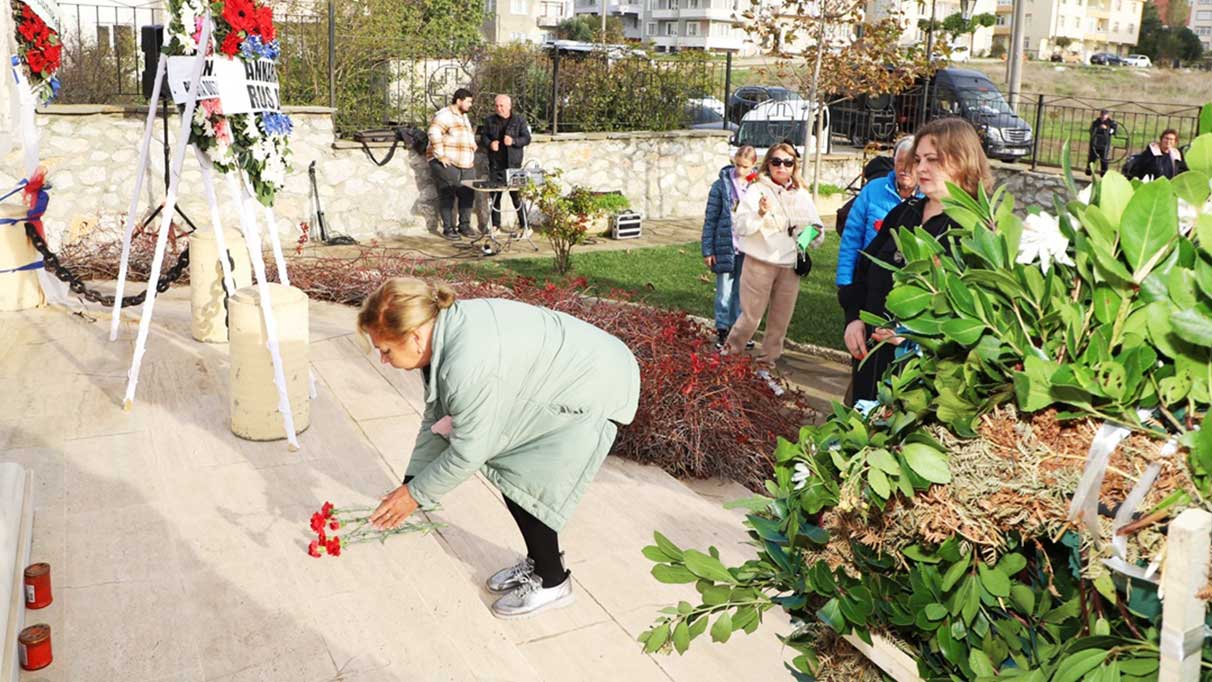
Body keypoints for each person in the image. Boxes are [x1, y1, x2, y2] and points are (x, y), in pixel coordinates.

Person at [360, 277, 640, 620]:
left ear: (415, 337)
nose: (383, 360)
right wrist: (412, 481)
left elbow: (469, 452)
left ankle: (552, 582)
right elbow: (439, 415)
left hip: (594, 384)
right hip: (578, 367)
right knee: (516, 471)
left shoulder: (465, 364)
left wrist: (415, 494)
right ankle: (540, 562)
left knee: (524, 475)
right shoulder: (445, 332)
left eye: (386, 350)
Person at [839, 117, 992, 403]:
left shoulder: (975, 231)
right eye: (918, 159)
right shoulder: (903, 214)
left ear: (962, 161)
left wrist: (914, 339)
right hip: (869, 364)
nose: (920, 168)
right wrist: (854, 318)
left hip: (921, 387)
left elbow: (976, 323)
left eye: (932, 159)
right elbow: (864, 269)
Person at [724, 143, 824, 370]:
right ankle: (728, 357)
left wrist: (803, 239)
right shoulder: (757, 190)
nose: (782, 167)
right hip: (759, 263)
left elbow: (817, 227)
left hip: (789, 266)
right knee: (750, 318)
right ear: (768, 163)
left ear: (794, 166)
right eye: (776, 161)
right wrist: (760, 213)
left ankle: (766, 364)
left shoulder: (801, 194)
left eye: (788, 162)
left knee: (780, 321)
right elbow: (740, 226)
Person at [835, 136, 918, 289]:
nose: (905, 169)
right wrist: (845, 281)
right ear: (893, 161)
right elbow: (851, 237)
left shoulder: (929, 198)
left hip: (911, 286)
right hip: (869, 278)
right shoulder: (873, 190)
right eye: (900, 161)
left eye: (911, 163)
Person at [702, 145, 758, 350]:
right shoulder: (721, 186)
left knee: (742, 292)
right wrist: (708, 250)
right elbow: (710, 219)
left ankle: (739, 330)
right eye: (737, 165)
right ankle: (722, 330)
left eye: (745, 167)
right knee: (724, 292)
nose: (740, 170)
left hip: (748, 248)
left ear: (753, 165)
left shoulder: (757, 186)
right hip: (725, 245)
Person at [427, 88, 478, 240]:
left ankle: (464, 225)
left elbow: (465, 135)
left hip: (466, 163)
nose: (470, 105)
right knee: (448, 192)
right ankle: (448, 228)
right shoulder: (445, 115)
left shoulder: (464, 117)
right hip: (448, 162)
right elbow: (433, 132)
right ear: (459, 101)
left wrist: (472, 145)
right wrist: (440, 155)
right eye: (468, 101)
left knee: (468, 193)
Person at [479, 94, 532, 234]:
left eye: (501, 106)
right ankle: (495, 226)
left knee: (516, 196)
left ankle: (525, 226)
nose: (499, 108)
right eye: (496, 106)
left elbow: (527, 138)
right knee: (495, 197)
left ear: (509, 106)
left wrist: (513, 141)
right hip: (496, 164)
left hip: (514, 164)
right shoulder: (489, 120)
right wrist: (490, 144)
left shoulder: (519, 120)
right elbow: (483, 137)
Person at [1087, 110, 1118, 176]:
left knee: (1104, 159)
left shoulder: (1111, 123)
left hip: (1104, 144)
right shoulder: (1096, 122)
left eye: (1105, 115)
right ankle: (1089, 171)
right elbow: (1091, 131)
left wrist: (1107, 128)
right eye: (1102, 114)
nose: (1103, 116)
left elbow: (1113, 131)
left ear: (1107, 115)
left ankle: (1104, 173)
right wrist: (1098, 128)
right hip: (1095, 143)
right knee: (1092, 158)